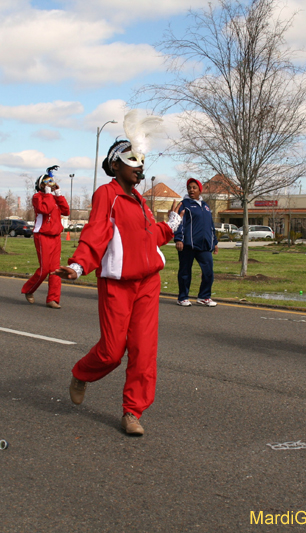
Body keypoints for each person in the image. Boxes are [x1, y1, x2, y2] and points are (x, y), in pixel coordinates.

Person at [54, 118, 180, 436]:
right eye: (132, 160)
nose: (140, 166)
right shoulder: (106, 195)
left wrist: (171, 226)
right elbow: (96, 232)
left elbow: (148, 238)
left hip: (148, 283)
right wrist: (79, 265)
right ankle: (82, 373)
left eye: (142, 161)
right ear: (115, 165)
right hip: (117, 284)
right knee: (112, 352)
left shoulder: (140, 201)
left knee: (143, 351)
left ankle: (132, 412)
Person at [21, 165, 70, 308]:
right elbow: (45, 209)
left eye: (52, 181)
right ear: (41, 185)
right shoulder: (37, 197)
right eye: (47, 182)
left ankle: (53, 299)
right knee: (44, 269)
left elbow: (66, 211)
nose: (51, 184)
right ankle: (29, 289)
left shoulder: (54, 198)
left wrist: (58, 194)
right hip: (42, 236)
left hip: (55, 237)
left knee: (55, 270)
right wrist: (48, 194)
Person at [174, 178, 218, 307]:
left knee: (208, 272)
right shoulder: (184, 204)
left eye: (194, 187)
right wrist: (179, 239)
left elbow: (210, 225)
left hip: (204, 246)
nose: (191, 190)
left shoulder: (206, 206)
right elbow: (179, 222)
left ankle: (204, 296)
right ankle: (182, 297)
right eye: (189, 188)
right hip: (187, 245)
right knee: (185, 272)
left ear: (200, 190)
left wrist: (214, 242)